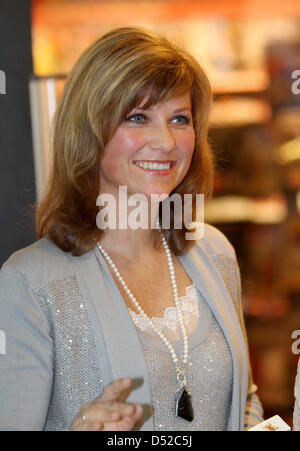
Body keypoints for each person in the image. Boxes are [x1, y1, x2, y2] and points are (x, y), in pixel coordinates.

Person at [0, 27, 263, 431]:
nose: (165, 142)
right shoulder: (30, 283)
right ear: (87, 132)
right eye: (137, 117)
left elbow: (243, 401)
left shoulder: (213, 251)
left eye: (179, 119)